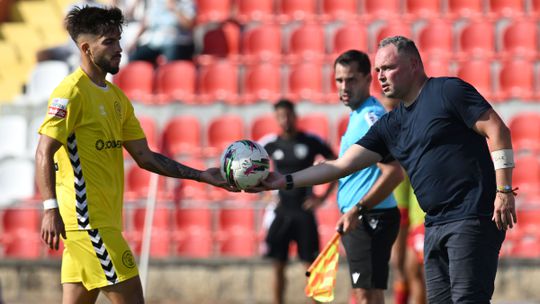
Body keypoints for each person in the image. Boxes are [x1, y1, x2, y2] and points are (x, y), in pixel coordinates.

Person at [251, 36, 516, 304]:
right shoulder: (393, 124)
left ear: (414, 64)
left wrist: (504, 190)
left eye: (388, 68)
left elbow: (498, 130)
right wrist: (281, 181)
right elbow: (340, 165)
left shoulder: (447, 90)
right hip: (434, 223)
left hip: (471, 217)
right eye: (378, 70)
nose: (381, 76)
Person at [35, 6, 231, 304]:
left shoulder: (117, 99)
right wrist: (50, 209)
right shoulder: (70, 93)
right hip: (89, 224)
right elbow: (43, 151)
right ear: (87, 49)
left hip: (101, 223)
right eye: (109, 42)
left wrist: (201, 175)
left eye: (118, 40)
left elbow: (146, 157)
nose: (119, 49)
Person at [333, 50, 403, 304]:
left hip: (369, 217)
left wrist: (357, 209)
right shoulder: (358, 115)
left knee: (366, 295)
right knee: (369, 294)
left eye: (351, 80)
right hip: (364, 217)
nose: (344, 87)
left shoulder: (370, 117)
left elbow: (394, 173)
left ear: (367, 79)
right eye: (339, 80)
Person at [260, 99, 337, 304]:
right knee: (278, 266)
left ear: (295, 116)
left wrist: (321, 197)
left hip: (304, 212)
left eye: (288, 115)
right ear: (276, 118)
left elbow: (337, 165)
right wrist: (265, 195)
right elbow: (251, 171)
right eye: (280, 116)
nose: (285, 120)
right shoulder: (269, 143)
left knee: (311, 268)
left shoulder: (310, 141)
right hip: (281, 212)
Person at [380, 96, 427, 304]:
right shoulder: (385, 138)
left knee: (418, 273)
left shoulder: (414, 137)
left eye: (392, 107)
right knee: (405, 270)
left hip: (420, 215)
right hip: (403, 212)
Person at [128, 0, 196, 63]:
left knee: (171, 57)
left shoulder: (186, 2)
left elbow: (189, 25)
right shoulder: (156, 2)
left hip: (177, 42)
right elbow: (146, 23)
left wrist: (174, 8)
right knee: (135, 57)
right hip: (156, 42)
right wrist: (134, 41)